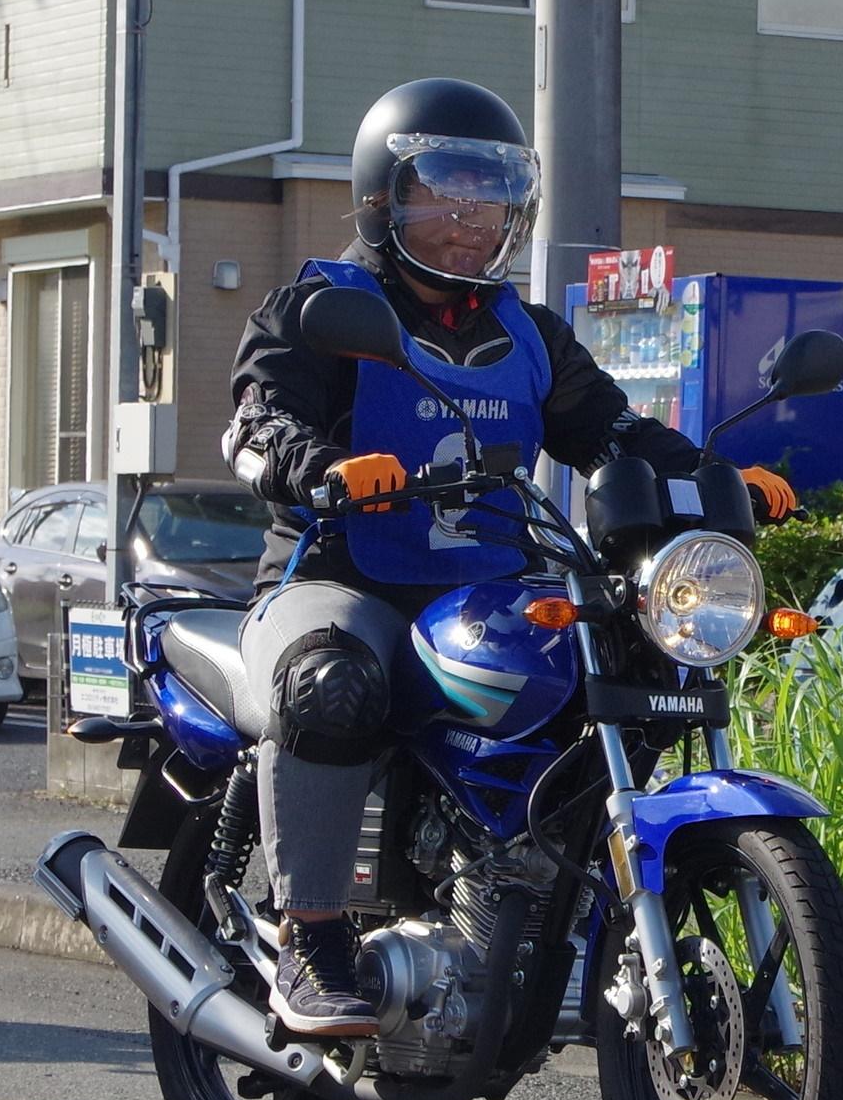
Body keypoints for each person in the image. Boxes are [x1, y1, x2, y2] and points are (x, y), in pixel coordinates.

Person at [219, 78, 794, 1035]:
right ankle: (311, 946)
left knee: (608, 662)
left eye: (487, 194)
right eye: (442, 189)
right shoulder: (322, 305)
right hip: (339, 578)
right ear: (382, 197)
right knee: (332, 681)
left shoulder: (530, 335)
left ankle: (537, 904)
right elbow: (253, 422)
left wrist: (710, 476)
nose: (467, 216)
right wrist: (317, 465)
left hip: (483, 587)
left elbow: (611, 433)